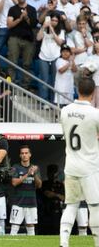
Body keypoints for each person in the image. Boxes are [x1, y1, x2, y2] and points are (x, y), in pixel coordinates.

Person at [59, 77, 99, 247]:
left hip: (71, 166)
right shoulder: (95, 113)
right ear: (93, 92)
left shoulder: (65, 110)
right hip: (89, 167)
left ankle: (64, 242)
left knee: (71, 205)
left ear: (77, 89)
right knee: (95, 206)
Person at [9, 145, 42, 235]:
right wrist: (27, 174)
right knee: (15, 225)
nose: (24, 155)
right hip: (18, 202)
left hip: (31, 202)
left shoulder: (35, 168)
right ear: (20, 155)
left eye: (26, 153)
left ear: (30, 155)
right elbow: (14, 183)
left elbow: (39, 185)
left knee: (31, 226)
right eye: (22, 153)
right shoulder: (14, 167)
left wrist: (34, 174)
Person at [6, 0, 37, 90]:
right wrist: (20, 18)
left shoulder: (32, 9)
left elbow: (34, 25)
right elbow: (9, 25)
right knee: (12, 62)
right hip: (14, 37)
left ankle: (25, 86)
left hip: (28, 39)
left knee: (27, 64)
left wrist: (26, 17)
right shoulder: (12, 9)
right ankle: (10, 85)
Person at [36, 12, 65, 102]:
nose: (53, 22)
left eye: (56, 21)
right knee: (44, 80)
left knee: (54, 81)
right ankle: (44, 101)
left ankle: (53, 101)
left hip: (55, 57)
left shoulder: (61, 31)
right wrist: (44, 27)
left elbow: (60, 43)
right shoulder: (44, 29)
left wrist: (52, 30)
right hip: (43, 56)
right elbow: (38, 38)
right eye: (52, 20)